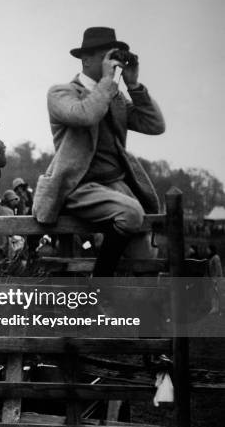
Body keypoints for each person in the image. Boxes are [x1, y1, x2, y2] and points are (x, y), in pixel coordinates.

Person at [33, 27, 165, 276]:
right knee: (132, 213)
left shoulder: (113, 97)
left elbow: (154, 125)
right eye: (107, 56)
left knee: (146, 260)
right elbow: (87, 114)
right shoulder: (61, 93)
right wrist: (106, 82)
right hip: (78, 187)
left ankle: (138, 309)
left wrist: (134, 85)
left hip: (115, 187)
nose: (112, 64)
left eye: (115, 57)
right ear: (86, 59)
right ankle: (100, 284)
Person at [208, 245, 222, 315]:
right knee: (213, 293)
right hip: (212, 278)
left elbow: (218, 269)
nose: (207, 250)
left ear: (211, 249)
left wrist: (216, 279)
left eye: (208, 249)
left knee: (217, 293)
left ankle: (217, 308)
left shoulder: (215, 257)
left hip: (215, 279)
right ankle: (215, 308)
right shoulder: (211, 257)